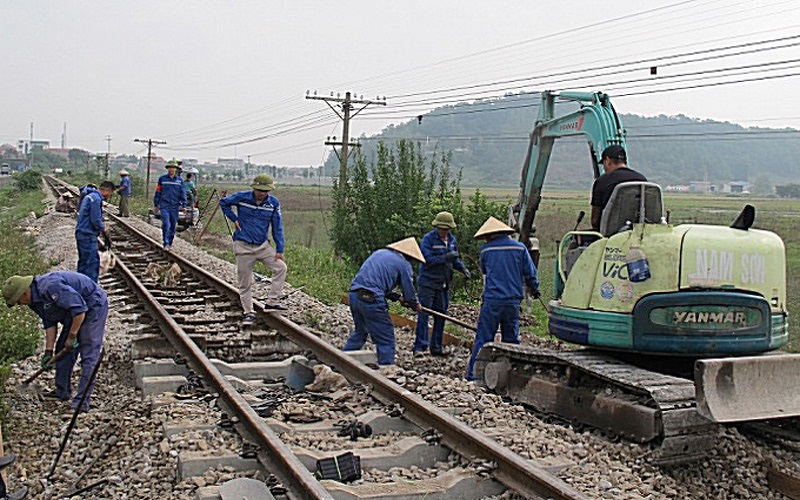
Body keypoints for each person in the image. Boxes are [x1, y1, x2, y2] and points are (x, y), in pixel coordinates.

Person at [3, 271, 108, 412]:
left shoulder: (51, 287)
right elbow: (49, 322)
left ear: (24, 293)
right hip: (73, 313)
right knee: (62, 350)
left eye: (18, 301)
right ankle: (62, 391)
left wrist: (72, 336)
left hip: (92, 306)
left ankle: (81, 404)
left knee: (88, 356)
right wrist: (48, 352)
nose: (20, 305)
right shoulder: (34, 301)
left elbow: (79, 310)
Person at [466, 217, 539, 380]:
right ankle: (511, 376)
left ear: (490, 235)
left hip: (492, 300)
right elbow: (530, 273)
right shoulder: (520, 249)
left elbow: (485, 270)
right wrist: (534, 289)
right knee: (511, 340)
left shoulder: (486, 251)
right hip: (512, 301)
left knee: (483, 338)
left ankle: (474, 376)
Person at [343, 237, 424, 367]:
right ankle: (386, 372)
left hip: (354, 295)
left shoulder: (379, 253)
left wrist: (397, 297)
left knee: (360, 332)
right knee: (386, 339)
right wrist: (415, 304)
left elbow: (374, 283)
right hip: (371, 299)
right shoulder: (404, 265)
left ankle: (341, 361)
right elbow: (409, 292)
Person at [219, 174, 288, 324]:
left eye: (264, 191)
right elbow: (223, 202)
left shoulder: (273, 204)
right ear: (254, 188)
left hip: (263, 246)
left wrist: (280, 249)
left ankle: (272, 302)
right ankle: (248, 312)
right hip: (243, 246)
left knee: (280, 268)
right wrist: (234, 218)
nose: (261, 193)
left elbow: (277, 227)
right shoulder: (242, 197)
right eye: (258, 190)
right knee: (245, 281)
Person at [412, 211, 470, 357]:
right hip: (428, 282)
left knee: (441, 315)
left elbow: (454, 259)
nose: (444, 231)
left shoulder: (452, 240)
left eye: (447, 229)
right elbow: (427, 260)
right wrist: (445, 257)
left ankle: (436, 348)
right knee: (424, 314)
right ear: (437, 227)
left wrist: (463, 269)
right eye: (442, 228)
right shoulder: (428, 239)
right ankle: (420, 347)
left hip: (444, 283)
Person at [590, 145, 647, 231]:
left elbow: (595, 221)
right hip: (637, 233)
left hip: (610, 236)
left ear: (608, 160)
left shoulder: (602, 181)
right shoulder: (642, 180)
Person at [76, 181, 114, 283]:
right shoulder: (96, 200)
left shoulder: (90, 196)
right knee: (91, 264)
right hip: (87, 234)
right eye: (111, 193)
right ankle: (90, 288)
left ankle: (81, 285)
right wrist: (105, 232)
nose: (110, 196)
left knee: (83, 263)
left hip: (82, 233)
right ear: (106, 190)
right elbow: (96, 220)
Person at [153, 159, 187, 249]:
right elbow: (158, 192)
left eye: (174, 168)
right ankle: (166, 243)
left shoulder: (180, 181)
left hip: (175, 206)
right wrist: (156, 204)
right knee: (166, 224)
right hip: (164, 205)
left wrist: (184, 205)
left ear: (176, 169)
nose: (172, 169)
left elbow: (183, 193)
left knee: (172, 225)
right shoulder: (162, 179)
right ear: (168, 169)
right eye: (170, 168)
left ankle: (170, 243)